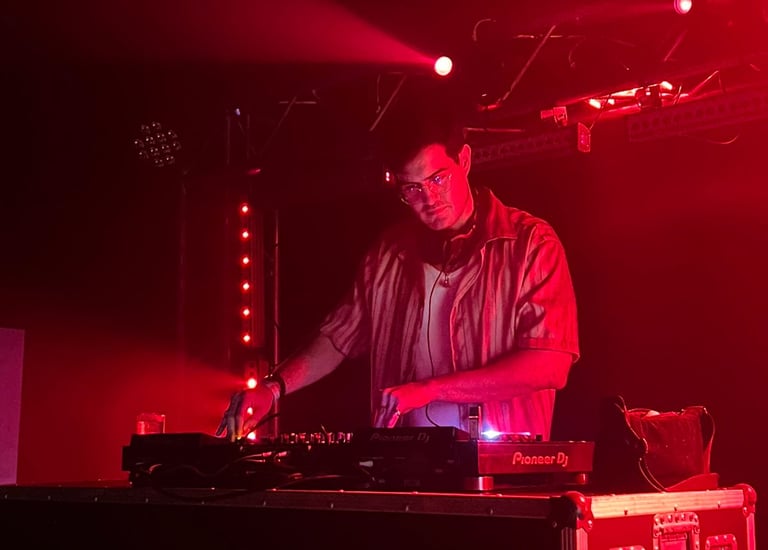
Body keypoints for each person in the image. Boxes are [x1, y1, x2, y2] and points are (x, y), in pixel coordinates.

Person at [217, 91, 579, 442]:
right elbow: (337, 338)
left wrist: (430, 389)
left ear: (465, 160)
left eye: (438, 179)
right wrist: (272, 388)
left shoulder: (531, 243)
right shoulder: (389, 253)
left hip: (498, 468)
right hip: (406, 466)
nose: (429, 199)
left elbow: (550, 365)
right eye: (412, 189)